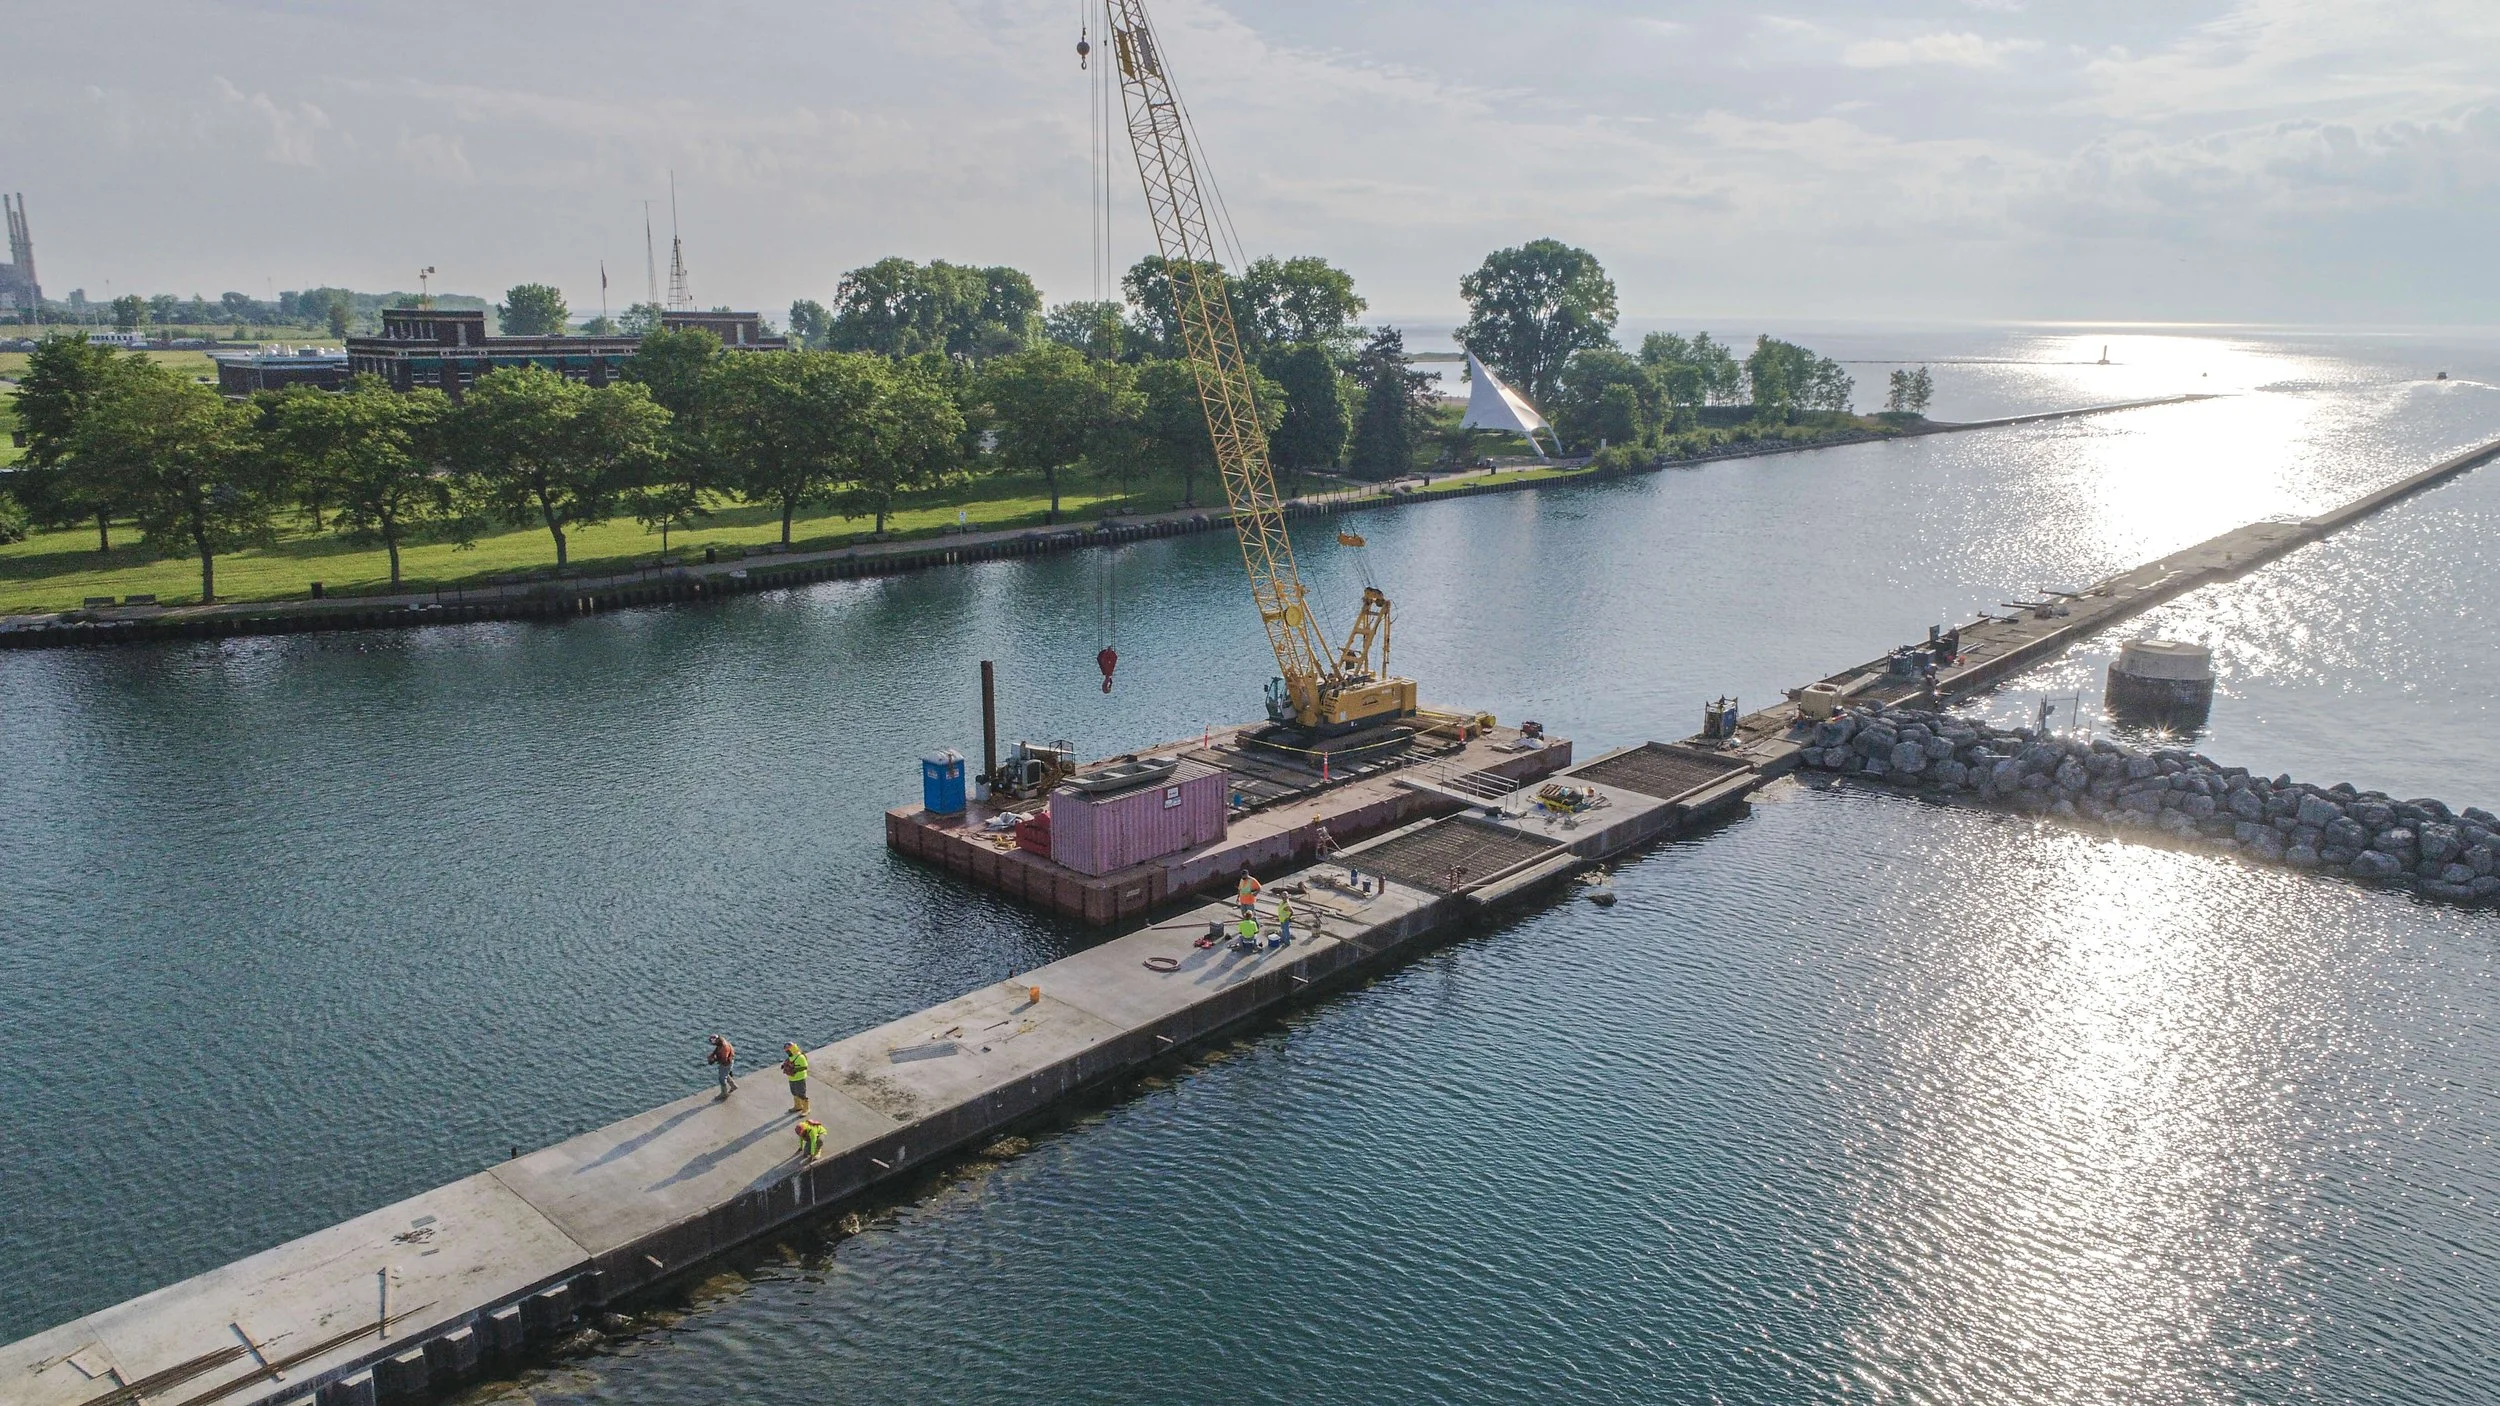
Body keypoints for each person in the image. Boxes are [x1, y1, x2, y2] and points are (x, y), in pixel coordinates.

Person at [781, 1042, 810, 1116]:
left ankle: (806, 1109)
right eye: (786, 1051)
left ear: (792, 1049)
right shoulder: (791, 1056)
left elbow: (804, 1067)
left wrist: (794, 1070)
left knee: (801, 1093)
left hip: (799, 1078)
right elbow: (788, 1062)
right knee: (794, 1092)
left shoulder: (800, 1057)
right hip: (792, 1078)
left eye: (788, 1051)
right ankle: (798, 1106)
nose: (787, 1052)